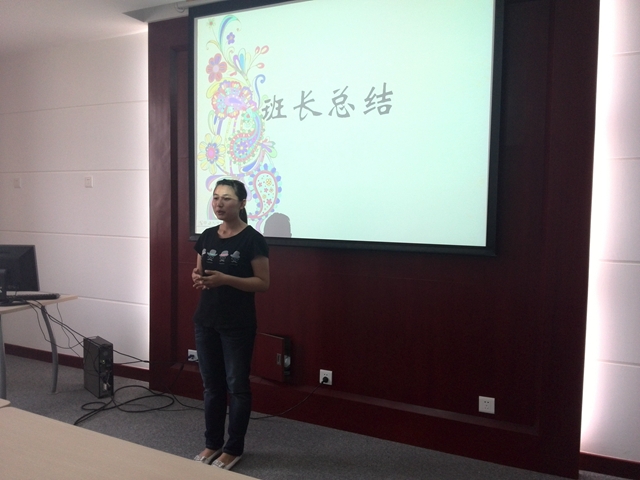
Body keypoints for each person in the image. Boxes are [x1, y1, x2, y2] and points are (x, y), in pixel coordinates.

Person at [191, 178, 270, 471]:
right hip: (205, 320)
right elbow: (199, 271)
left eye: (226, 198)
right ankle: (213, 443)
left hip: (237, 324)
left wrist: (226, 279)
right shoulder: (207, 236)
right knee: (212, 387)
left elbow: (262, 283)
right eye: (215, 198)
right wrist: (197, 277)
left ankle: (233, 448)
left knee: (236, 386)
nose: (219, 204)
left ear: (242, 203)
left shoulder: (252, 239)